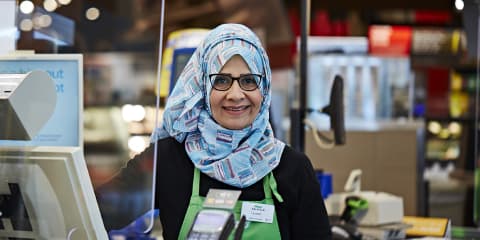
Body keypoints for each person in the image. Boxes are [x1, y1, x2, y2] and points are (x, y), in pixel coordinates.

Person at [103, 23, 332, 239]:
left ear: (264, 88)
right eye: (221, 80)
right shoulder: (167, 159)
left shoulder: (292, 168)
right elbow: (95, 212)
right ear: (202, 85)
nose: (235, 94)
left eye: (249, 80)